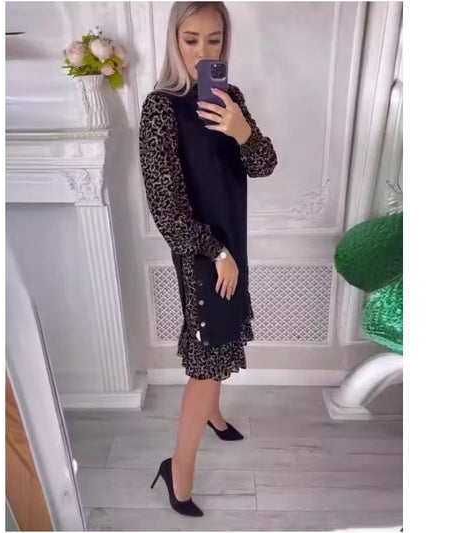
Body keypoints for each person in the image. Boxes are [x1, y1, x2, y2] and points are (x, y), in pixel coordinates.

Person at [139, 1, 277, 517]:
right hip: (200, 252)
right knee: (208, 354)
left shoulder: (229, 98)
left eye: (213, 40)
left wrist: (242, 130)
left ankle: (215, 417)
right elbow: (166, 206)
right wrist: (217, 253)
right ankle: (178, 468)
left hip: (233, 244)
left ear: (225, 42)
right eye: (191, 39)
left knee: (223, 337)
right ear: (174, 40)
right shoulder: (160, 109)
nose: (202, 51)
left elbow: (263, 165)